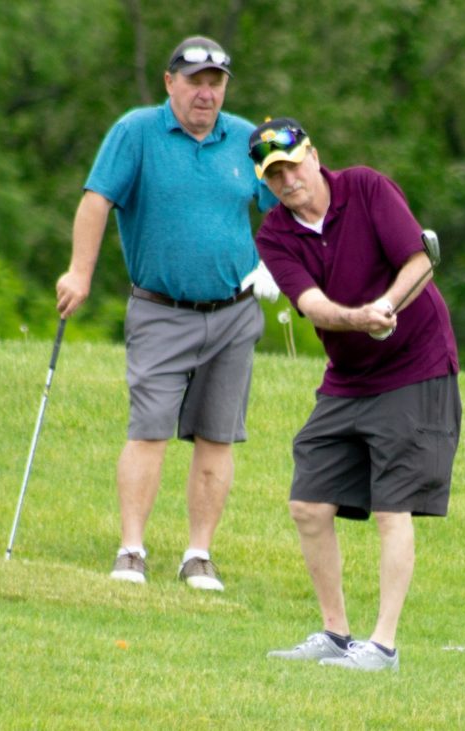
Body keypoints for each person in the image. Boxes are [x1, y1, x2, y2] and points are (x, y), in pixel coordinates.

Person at [55, 36, 280, 591]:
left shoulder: (248, 141)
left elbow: (286, 210)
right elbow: (96, 201)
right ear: (169, 82)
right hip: (160, 310)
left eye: (216, 82)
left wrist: (279, 268)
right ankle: (131, 548)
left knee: (217, 436)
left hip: (233, 312)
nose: (206, 93)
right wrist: (79, 273)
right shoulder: (136, 132)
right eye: (195, 81)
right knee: (149, 428)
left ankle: (198, 555)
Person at [252, 118, 461, 672]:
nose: (289, 179)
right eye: (275, 173)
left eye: (293, 164)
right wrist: (359, 319)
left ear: (314, 154)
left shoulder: (366, 188)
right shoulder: (275, 234)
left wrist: (385, 308)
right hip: (349, 374)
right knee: (308, 503)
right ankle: (335, 634)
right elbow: (313, 305)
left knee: (394, 506)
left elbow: (420, 262)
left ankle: (383, 647)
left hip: (415, 364)